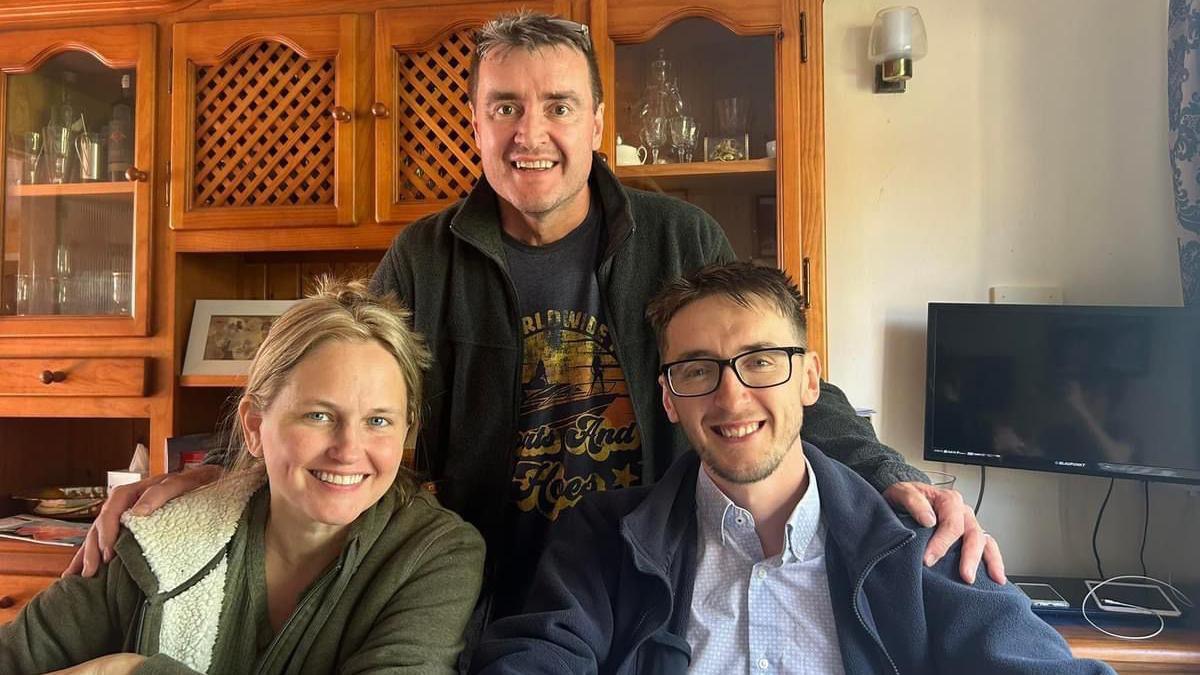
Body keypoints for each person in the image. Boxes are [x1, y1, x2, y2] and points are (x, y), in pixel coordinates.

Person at [72, 11, 1001, 621]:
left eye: (558, 106)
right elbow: (332, 407)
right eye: (504, 107)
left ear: (597, 120)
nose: (531, 133)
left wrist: (891, 474)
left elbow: (782, 378)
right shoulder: (424, 256)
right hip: (479, 594)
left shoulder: (681, 235)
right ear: (473, 125)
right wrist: (214, 483)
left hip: (658, 586)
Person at [470, 263, 1113, 675]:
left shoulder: (917, 539)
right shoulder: (603, 539)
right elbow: (536, 658)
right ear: (668, 398)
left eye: (761, 360)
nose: (731, 396)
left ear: (809, 379)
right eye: (697, 369)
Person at [2, 281, 485, 674]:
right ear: (255, 426)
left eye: (378, 421)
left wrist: (129, 672)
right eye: (318, 416)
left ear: (407, 432)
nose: (348, 451)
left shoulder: (434, 555)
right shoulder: (158, 535)